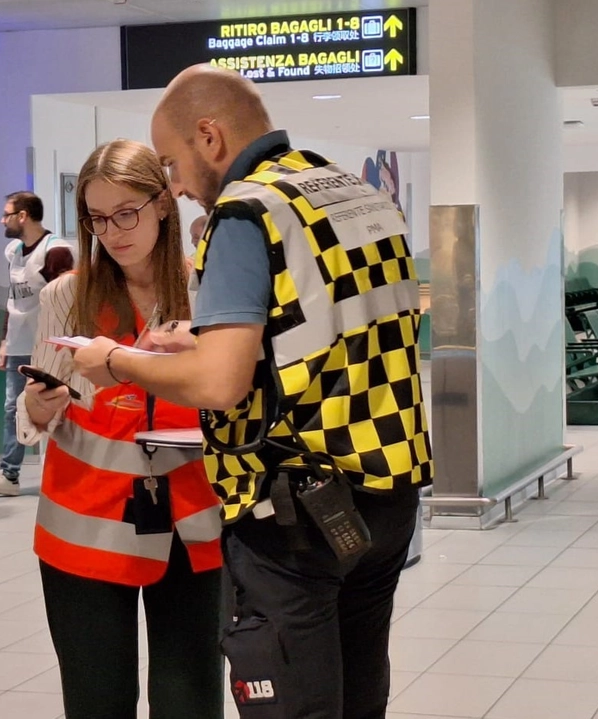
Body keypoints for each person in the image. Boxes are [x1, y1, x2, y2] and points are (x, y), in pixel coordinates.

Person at [72, 65, 432, 719]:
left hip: (294, 514)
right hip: (386, 499)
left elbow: (219, 384)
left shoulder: (246, 212)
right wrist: (203, 339)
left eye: (174, 164)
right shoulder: (352, 193)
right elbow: (336, 329)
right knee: (358, 697)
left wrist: (118, 361)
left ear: (210, 136)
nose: (176, 188)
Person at [17, 139, 224, 719]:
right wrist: (39, 406)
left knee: (190, 696)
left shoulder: (209, 290)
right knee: (97, 698)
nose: (113, 232)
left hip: (193, 521)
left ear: (162, 205)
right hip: (84, 523)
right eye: (98, 218)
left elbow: (238, 400)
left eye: (126, 213)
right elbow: (35, 415)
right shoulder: (66, 294)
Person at [0, 191, 76, 497]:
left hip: (49, 346)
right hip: (18, 343)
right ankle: (9, 474)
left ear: (23, 216)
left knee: (56, 407)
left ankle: (62, 471)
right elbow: (13, 300)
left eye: (7, 214)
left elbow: (65, 301)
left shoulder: (55, 251)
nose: (2, 220)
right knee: (14, 407)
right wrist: (4, 341)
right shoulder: (14, 251)